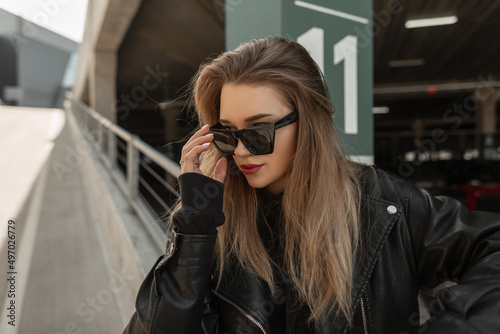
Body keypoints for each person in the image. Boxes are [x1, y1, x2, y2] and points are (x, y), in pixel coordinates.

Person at [123, 37, 500, 333]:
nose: (239, 150)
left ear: (308, 123)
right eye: (226, 133)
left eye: (258, 132)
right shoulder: (214, 221)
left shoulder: (383, 204)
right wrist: (193, 228)